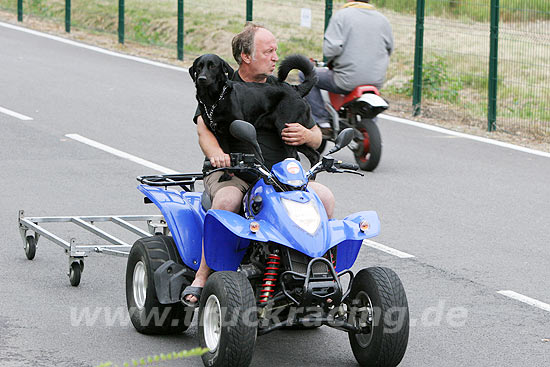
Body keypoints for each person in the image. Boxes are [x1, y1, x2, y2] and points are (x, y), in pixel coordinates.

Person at [183, 23, 336, 306]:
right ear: (246, 56)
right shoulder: (220, 87)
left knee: (324, 197)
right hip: (235, 172)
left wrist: (307, 135)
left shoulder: (282, 90)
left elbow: (316, 136)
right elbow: (204, 131)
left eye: (276, 52)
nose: (276, 58)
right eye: (268, 51)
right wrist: (218, 154)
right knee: (228, 200)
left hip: (282, 174)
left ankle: (321, 272)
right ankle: (202, 275)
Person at [306, 0, 394, 132]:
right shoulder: (383, 20)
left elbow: (331, 50)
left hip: (346, 80)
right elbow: (390, 49)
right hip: (375, 81)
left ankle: (321, 121)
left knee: (306, 74)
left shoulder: (341, 16)